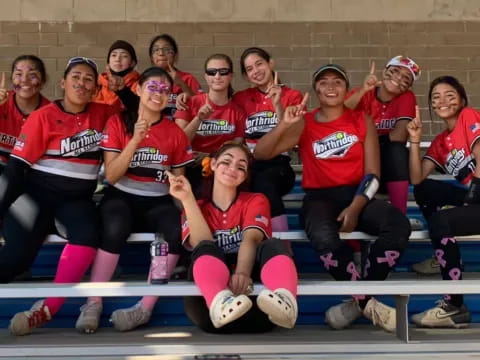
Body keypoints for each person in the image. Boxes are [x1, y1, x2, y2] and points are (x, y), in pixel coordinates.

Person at [254, 64, 411, 333]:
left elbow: (373, 174)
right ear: (315, 89)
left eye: (337, 82)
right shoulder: (306, 121)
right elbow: (260, 154)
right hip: (319, 197)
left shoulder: (362, 120)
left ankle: (357, 301)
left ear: (346, 87)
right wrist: (284, 125)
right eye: (323, 82)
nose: (330, 87)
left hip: (358, 193)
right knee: (324, 236)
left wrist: (356, 206)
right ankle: (368, 302)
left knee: (399, 225)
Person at [74, 67, 194, 334]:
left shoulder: (175, 132)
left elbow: (179, 184)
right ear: (138, 90)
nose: (158, 94)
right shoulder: (118, 122)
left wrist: (178, 187)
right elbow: (113, 176)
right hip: (122, 195)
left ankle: (145, 307)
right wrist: (135, 140)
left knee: (176, 230)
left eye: (165, 90)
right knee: (114, 226)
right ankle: (93, 302)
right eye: (152, 87)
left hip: (158, 199)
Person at [0, 57, 115, 335]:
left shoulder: (105, 114)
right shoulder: (43, 116)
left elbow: (138, 111)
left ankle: (49, 307)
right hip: (36, 196)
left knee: (88, 236)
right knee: (15, 259)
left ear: (95, 88)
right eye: (75, 76)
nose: (81, 83)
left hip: (76, 201)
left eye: (89, 79)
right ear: (63, 82)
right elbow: (16, 170)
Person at [170, 142, 298, 333]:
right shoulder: (195, 206)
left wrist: (242, 273)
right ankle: (220, 300)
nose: (232, 169)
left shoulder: (255, 200)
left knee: (273, 245)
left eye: (241, 167)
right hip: (210, 312)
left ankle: (286, 302)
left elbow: (251, 239)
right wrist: (187, 199)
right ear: (212, 164)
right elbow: (201, 244)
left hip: (258, 306)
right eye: (226, 162)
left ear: (245, 175)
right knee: (205, 248)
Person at [408, 76, 477, 328]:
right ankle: (444, 251)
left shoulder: (468, 116)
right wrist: (415, 139)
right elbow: (416, 177)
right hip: (474, 200)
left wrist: (474, 195)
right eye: (435, 97)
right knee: (425, 189)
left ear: (461, 99)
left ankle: (454, 305)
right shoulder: (439, 142)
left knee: (441, 221)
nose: (442, 100)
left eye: (449, 94)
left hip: (477, 195)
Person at [232, 47, 303, 240]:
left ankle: (283, 247)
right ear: (246, 76)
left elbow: (289, 135)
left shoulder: (293, 95)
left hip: (278, 164)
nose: (256, 71)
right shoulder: (241, 98)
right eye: (249, 69)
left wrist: (278, 104)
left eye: (259, 64)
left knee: (264, 183)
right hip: (249, 163)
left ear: (271, 63)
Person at [345, 56, 420, 215]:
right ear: (384, 71)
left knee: (396, 150)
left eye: (406, 78)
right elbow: (337, 117)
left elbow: (400, 135)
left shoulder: (406, 97)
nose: (398, 78)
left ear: (408, 87)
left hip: (387, 171)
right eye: (395, 71)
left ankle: (400, 215)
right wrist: (363, 90)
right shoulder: (362, 93)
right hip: (358, 167)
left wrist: (369, 142)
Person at [175, 53, 245, 196]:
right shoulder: (191, 102)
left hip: (222, 169)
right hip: (192, 167)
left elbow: (235, 148)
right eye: (212, 72)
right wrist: (198, 119)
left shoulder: (238, 112)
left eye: (223, 72)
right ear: (206, 76)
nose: (217, 76)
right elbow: (179, 142)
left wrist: (211, 156)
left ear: (231, 76)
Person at [116, 34, 202, 120]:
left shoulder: (188, 78)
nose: (161, 53)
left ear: (175, 56)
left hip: (181, 129)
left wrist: (182, 84)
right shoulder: (144, 80)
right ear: (151, 58)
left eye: (167, 49)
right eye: (156, 50)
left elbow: (201, 106)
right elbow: (134, 107)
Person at [0, 55, 50, 170]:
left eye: (32, 75)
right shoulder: (2, 103)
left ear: (43, 81)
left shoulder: (50, 113)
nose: (24, 80)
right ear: (11, 79)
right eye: (18, 74)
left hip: (30, 174)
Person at [94, 40, 140, 113]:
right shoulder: (97, 84)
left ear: (132, 63)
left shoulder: (139, 85)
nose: (117, 59)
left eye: (124, 56)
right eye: (114, 55)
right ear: (108, 62)